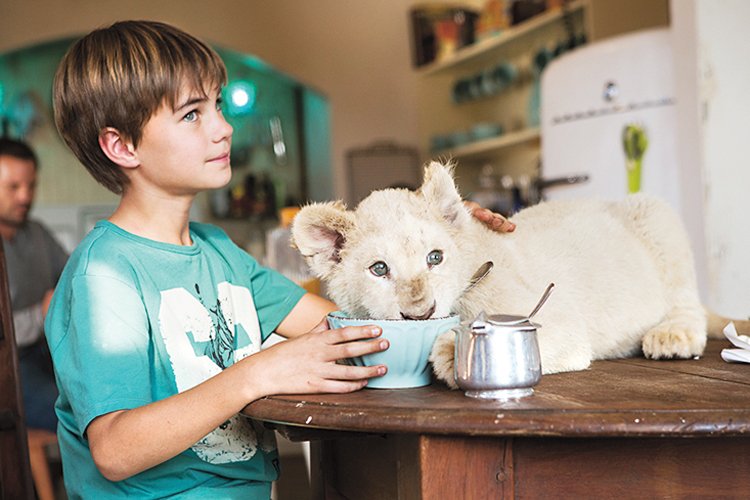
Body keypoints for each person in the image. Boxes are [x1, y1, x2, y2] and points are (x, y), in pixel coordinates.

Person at [47, 20, 516, 499]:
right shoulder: (104, 275)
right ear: (121, 146)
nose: (223, 128)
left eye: (218, 105)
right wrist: (255, 374)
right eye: (192, 114)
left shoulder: (218, 252)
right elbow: (115, 450)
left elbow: (359, 328)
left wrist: (442, 240)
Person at [0, 137, 67, 433]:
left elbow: (68, 277)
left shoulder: (37, 233)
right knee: (72, 413)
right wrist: (41, 314)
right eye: (13, 187)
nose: (25, 196)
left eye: (31, 186)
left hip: (46, 351)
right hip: (9, 368)